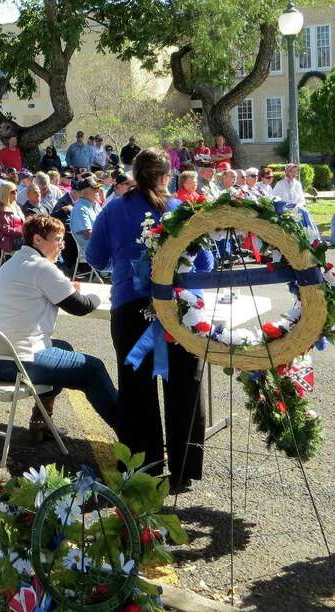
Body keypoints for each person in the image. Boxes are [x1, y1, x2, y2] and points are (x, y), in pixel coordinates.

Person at [86, 148, 209, 490]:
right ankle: (184, 471)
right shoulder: (181, 210)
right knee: (185, 387)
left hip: (130, 308)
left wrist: (125, 263)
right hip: (178, 308)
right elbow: (205, 262)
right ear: (165, 177)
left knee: (136, 391)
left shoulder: (113, 208)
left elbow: (95, 256)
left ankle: (145, 468)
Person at [0, 215, 118, 440]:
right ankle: (132, 436)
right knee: (93, 369)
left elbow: (44, 290)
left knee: (64, 347)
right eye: (57, 239)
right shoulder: (42, 268)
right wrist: (100, 295)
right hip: (15, 362)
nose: (62, 245)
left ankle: (40, 421)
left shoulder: (13, 262)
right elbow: (81, 307)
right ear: (37, 240)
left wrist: (67, 289)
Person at [272, 163, 319, 240]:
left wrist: (298, 205)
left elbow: (301, 199)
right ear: (287, 172)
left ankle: (313, 237)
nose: (294, 174)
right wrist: (286, 207)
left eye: (296, 171)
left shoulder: (298, 184)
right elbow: (274, 199)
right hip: (284, 209)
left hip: (297, 207)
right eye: (292, 171)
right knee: (302, 212)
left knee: (303, 211)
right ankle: (309, 238)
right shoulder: (280, 184)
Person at [68, 177, 101, 257]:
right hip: (94, 250)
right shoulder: (80, 208)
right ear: (83, 192)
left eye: (98, 187)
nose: (98, 190)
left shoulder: (95, 205)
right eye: (94, 188)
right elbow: (88, 234)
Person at [0, 181, 25, 253]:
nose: (16, 193)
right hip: (9, 241)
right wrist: (23, 231)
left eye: (16, 191)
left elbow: (23, 222)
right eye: (13, 192)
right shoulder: (1, 210)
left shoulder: (16, 206)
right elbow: (7, 230)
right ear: (6, 193)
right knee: (32, 241)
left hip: (20, 236)